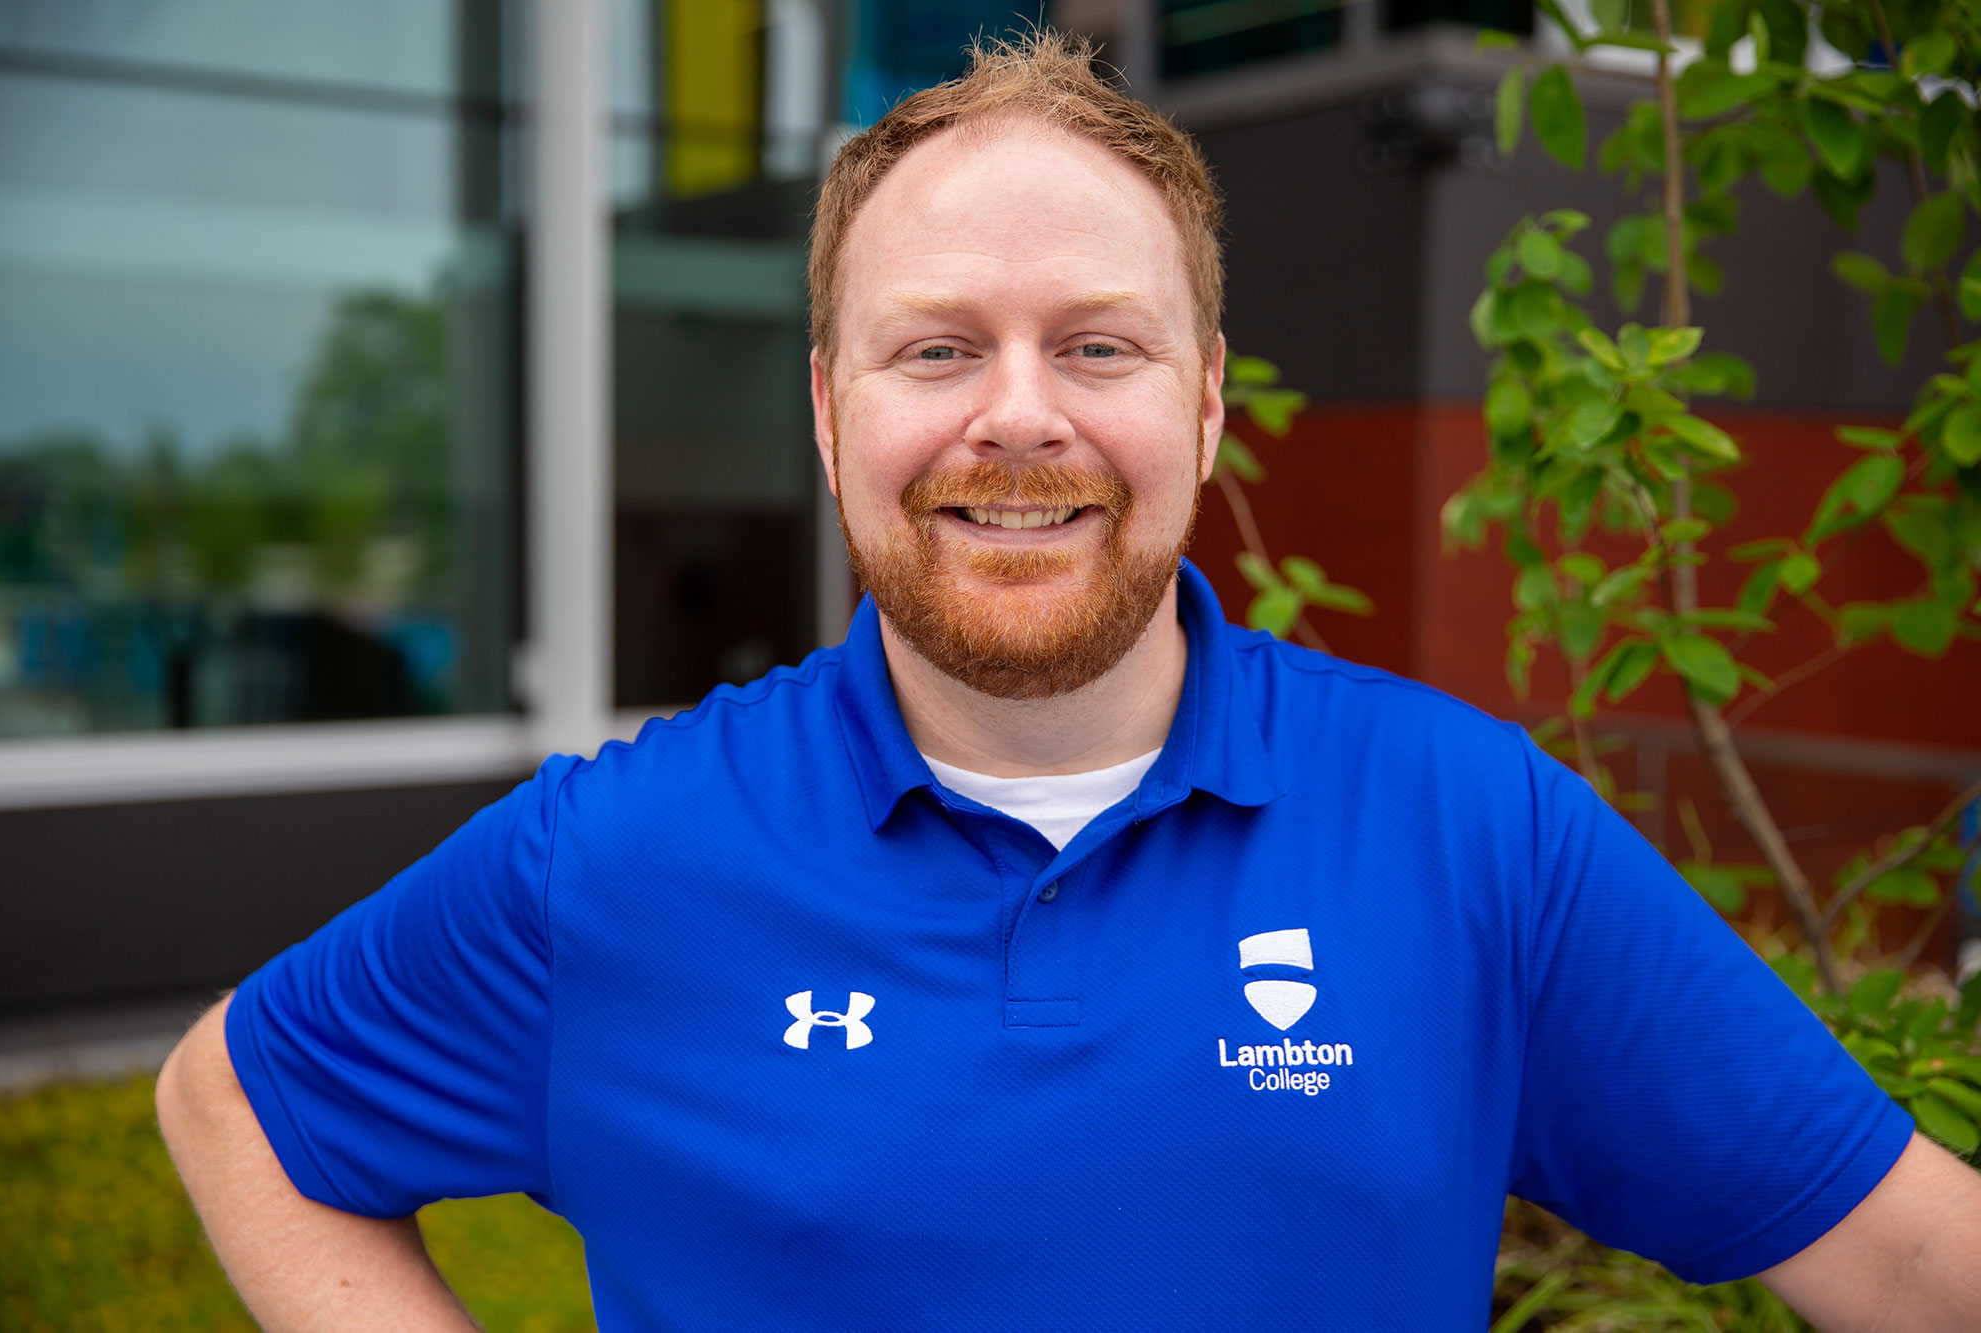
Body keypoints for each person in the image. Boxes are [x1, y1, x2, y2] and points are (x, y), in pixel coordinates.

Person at [157, 31, 1981, 1331]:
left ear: (1201, 403)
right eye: (936, 345)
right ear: (829, 412)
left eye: (1096, 343)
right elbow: (234, 1102)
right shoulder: (614, 858)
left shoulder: (1468, 825)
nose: (1016, 413)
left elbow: (1903, 1260)